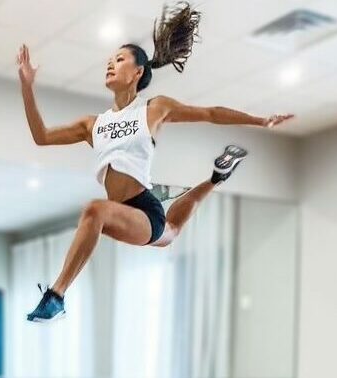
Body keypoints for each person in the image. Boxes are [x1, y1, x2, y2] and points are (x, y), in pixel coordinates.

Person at [18, 2, 293, 322]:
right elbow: (41, 136)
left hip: (143, 208)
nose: (110, 64)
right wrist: (27, 87)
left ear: (138, 72)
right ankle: (218, 177)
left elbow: (210, 113)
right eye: (109, 61)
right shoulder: (92, 125)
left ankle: (56, 297)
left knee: (99, 211)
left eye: (119, 60)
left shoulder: (153, 109)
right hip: (126, 211)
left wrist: (261, 121)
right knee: (170, 231)